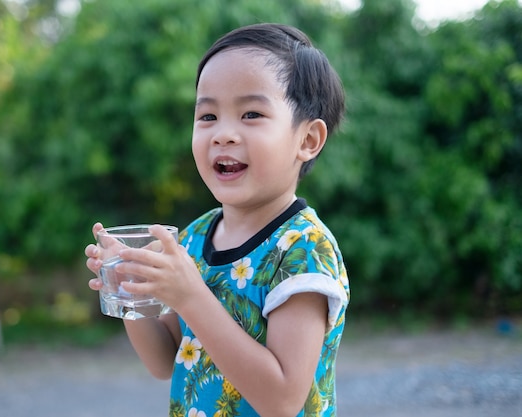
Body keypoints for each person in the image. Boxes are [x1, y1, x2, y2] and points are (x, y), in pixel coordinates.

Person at [85, 23, 349, 417]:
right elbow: (164, 361)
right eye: (207, 115)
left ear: (307, 140)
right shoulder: (193, 237)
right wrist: (134, 295)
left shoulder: (302, 249)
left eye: (251, 113)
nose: (223, 133)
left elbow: (283, 400)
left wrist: (190, 295)